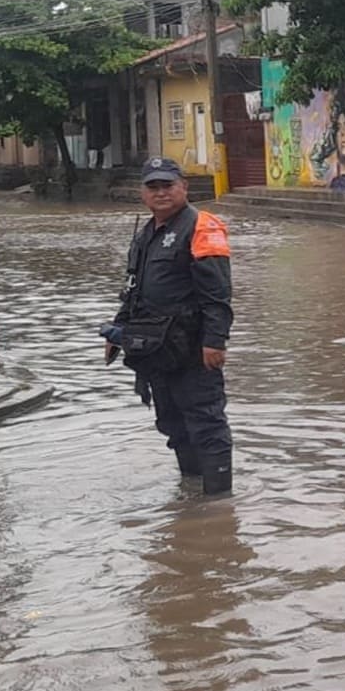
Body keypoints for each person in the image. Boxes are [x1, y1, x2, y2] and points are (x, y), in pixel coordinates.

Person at [108, 157, 236, 495]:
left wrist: (215, 341)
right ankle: (191, 489)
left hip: (193, 349)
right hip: (155, 349)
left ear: (184, 187)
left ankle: (219, 504)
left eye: (168, 185)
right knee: (173, 423)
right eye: (153, 186)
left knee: (206, 422)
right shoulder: (146, 233)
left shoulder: (202, 227)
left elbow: (218, 295)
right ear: (143, 193)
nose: (161, 192)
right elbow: (132, 289)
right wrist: (118, 330)